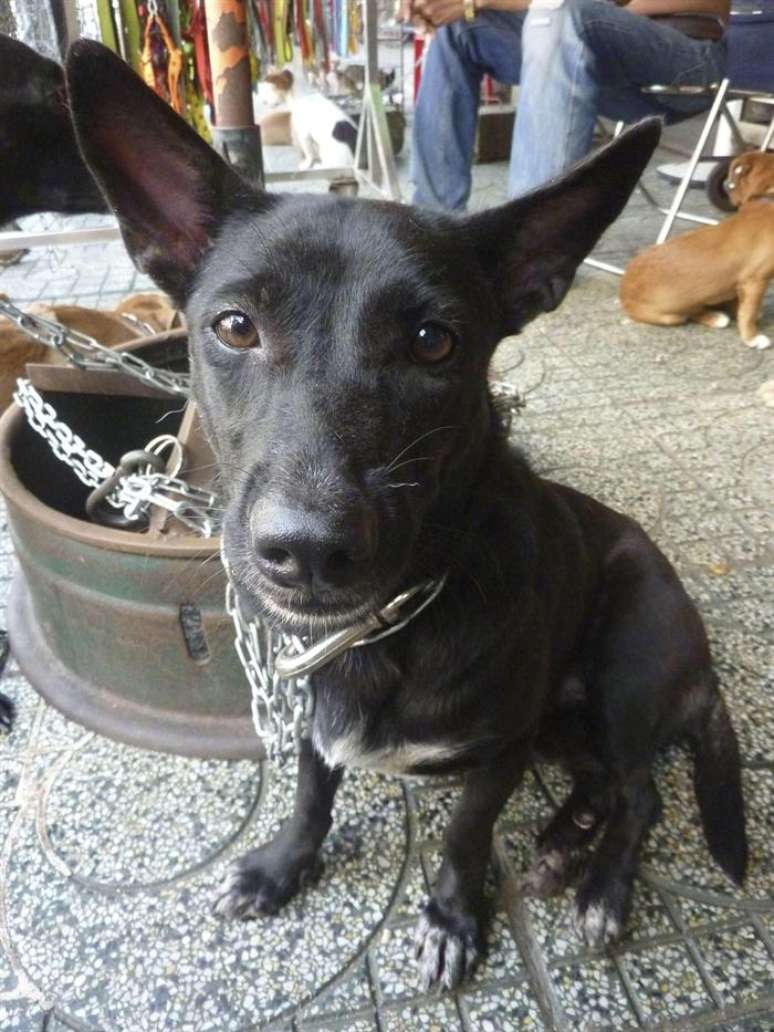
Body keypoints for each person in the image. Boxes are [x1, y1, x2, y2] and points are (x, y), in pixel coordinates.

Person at [405, 0, 731, 209]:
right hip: (592, 59)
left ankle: (527, 244)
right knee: (461, 26)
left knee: (559, 15)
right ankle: (432, 221)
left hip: (687, 58)